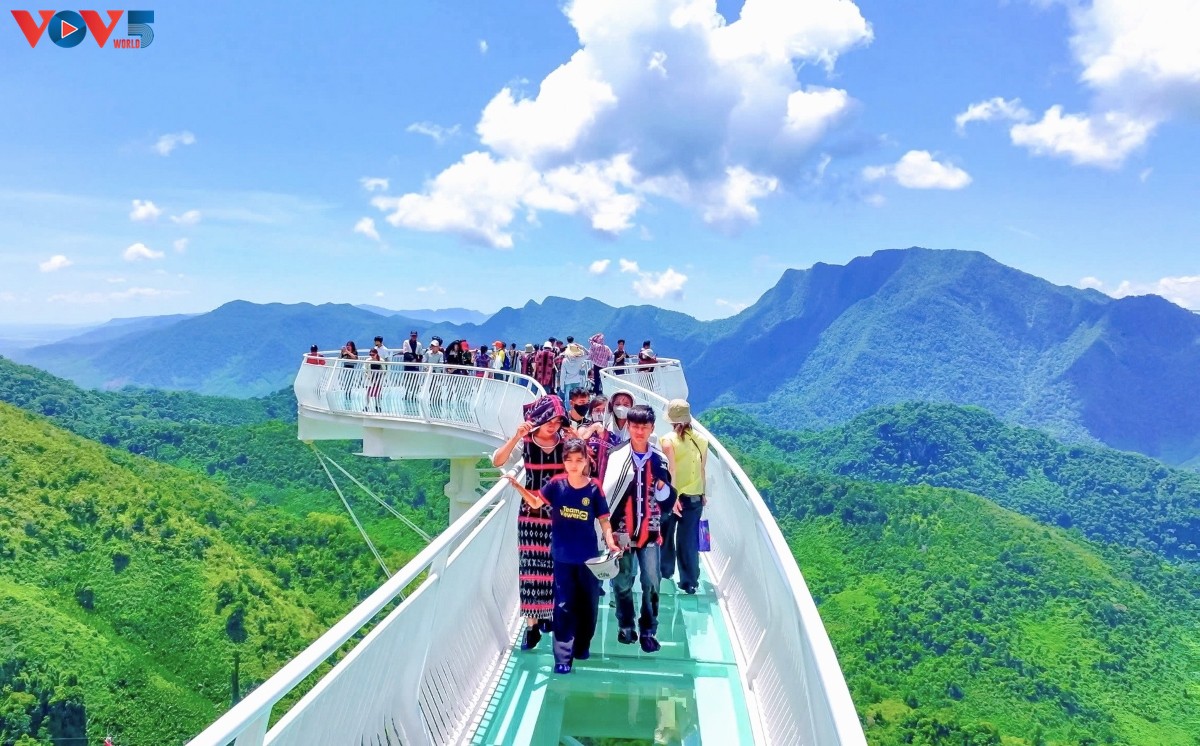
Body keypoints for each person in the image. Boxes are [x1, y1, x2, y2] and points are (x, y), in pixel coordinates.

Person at [492, 395, 569, 650]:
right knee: (530, 570)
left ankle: (550, 615)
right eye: (550, 420)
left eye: (558, 421)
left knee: (554, 568)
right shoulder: (526, 442)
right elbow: (498, 461)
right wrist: (516, 436)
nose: (553, 426)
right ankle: (532, 625)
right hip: (530, 515)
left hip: (559, 514)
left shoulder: (565, 443)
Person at [540, 439, 621, 673]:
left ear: (586, 460)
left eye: (579, 460)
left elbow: (604, 520)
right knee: (563, 605)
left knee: (588, 604)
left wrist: (611, 542)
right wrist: (517, 486)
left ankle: (582, 645)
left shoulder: (594, 488)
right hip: (562, 556)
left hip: (588, 557)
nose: (574, 465)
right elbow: (536, 501)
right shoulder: (556, 484)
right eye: (569, 460)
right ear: (564, 461)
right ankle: (562, 657)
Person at [602, 405, 675, 652]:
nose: (639, 431)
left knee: (652, 581)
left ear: (652, 428)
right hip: (621, 531)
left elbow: (666, 499)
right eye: (635, 426)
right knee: (622, 582)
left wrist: (663, 489)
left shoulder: (659, 459)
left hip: (651, 530)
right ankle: (625, 625)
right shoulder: (616, 456)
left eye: (644, 426)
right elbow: (607, 493)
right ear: (629, 427)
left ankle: (648, 630)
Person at [659, 399, 707, 595]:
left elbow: (671, 470)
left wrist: (673, 497)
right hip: (695, 497)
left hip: (674, 497)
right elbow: (702, 469)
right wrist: (703, 494)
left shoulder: (667, 440)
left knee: (666, 535)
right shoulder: (702, 440)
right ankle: (689, 582)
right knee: (688, 541)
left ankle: (665, 573)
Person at [559, 340, 591, 405]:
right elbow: (588, 354)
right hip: (577, 381)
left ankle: (568, 410)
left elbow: (563, 374)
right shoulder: (579, 359)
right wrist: (581, 346)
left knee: (567, 399)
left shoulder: (565, 360)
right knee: (576, 398)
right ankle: (575, 409)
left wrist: (561, 386)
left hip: (567, 381)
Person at [338, 341, 358, 408]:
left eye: (349, 346)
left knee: (350, 383)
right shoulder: (345, 353)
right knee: (346, 384)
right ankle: (346, 396)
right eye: (347, 346)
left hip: (351, 369)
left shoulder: (354, 352)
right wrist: (342, 352)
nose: (348, 347)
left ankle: (348, 396)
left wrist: (348, 352)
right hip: (345, 369)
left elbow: (354, 357)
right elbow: (339, 358)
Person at [365, 347, 384, 412]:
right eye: (370, 354)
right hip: (370, 379)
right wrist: (367, 375)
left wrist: (381, 376)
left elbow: (384, 369)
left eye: (373, 354)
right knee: (368, 393)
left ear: (376, 354)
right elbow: (364, 368)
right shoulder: (368, 360)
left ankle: (378, 406)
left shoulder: (381, 360)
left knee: (377, 394)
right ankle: (366, 406)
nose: (372, 356)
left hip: (378, 379)